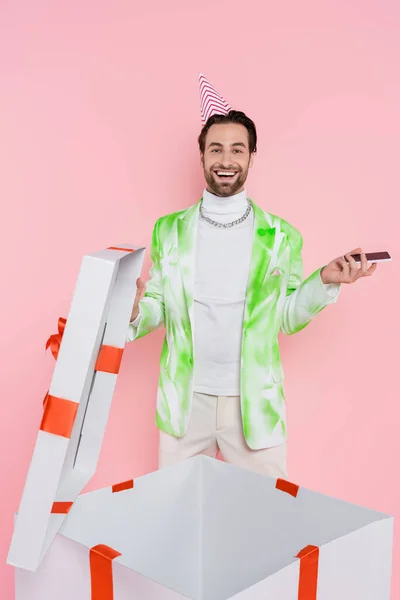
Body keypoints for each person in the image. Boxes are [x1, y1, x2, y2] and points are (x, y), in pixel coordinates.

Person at [126, 74, 377, 477]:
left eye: (237, 150)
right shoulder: (168, 229)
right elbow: (157, 306)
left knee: (263, 523)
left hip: (255, 407)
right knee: (174, 518)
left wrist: (326, 281)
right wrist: (136, 310)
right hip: (184, 405)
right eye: (216, 149)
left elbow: (287, 318)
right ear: (202, 157)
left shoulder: (281, 236)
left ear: (252, 156)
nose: (226, 160)